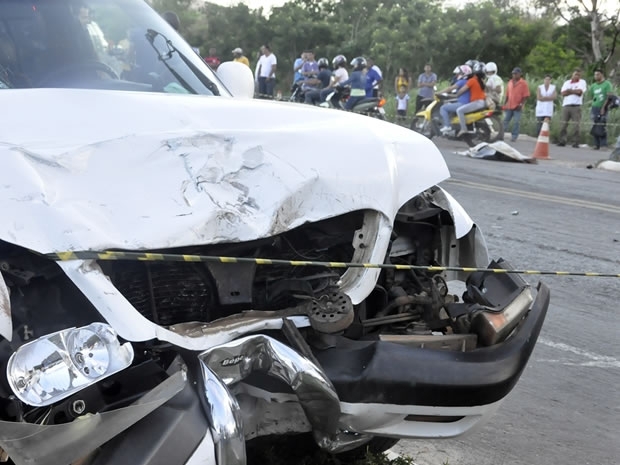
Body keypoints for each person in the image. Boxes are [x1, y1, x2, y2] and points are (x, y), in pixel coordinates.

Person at [455, 62, 486, 137]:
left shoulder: (472, 80)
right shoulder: (481, 81)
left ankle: (463, 129)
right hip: (482, 102)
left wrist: (457, 94)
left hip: (477, 102)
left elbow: (462, 90)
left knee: (459, 110)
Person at [557, 68, 587, 148]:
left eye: (578, 75)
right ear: (572, 74)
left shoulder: (582, 82)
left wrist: (570, 91)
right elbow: (563, 93)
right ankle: (562, 140)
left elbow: (580, 92)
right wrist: (574, 91)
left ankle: (576, 142)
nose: (577, 76)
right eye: (575, 74)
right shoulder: (567, 82)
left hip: (576, 106)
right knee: (563, 124)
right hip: (566, 105)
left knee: (576, 125)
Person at [439, 64, 472, 135]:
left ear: (464, 73)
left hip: (463, 103)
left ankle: (447, 126)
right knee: (449, 105)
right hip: (466, 102)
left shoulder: (462, 81)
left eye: (459, 73)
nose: (457, 75)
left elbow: (450, 88)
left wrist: (438, 93)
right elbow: (458, 95)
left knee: (443, 108)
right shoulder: (467, 81)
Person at [588, 69, 614, 150]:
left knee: (602, 125)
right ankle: (596, 144)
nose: (596, 76)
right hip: (595, 107)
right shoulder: (593, 86)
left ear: (602, 75)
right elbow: (592, 96)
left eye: (598, 74)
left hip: (603, 107)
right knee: (595, 125)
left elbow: (609, 96)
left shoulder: (607, 84)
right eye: (595, 74)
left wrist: (604, 107)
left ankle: (603, 144)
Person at [503, 67, 530, 142]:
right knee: (505, 120)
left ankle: (514, 136)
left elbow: (525, 95)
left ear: (520, 74)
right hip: (510, 105)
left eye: (516, 74)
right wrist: (505, 104)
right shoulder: (510, 82)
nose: (514, 75)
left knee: (516, 121)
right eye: (513, 74)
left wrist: (521, 104)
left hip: (517, 105)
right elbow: (507, 94)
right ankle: (501, 134)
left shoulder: (523, 83)